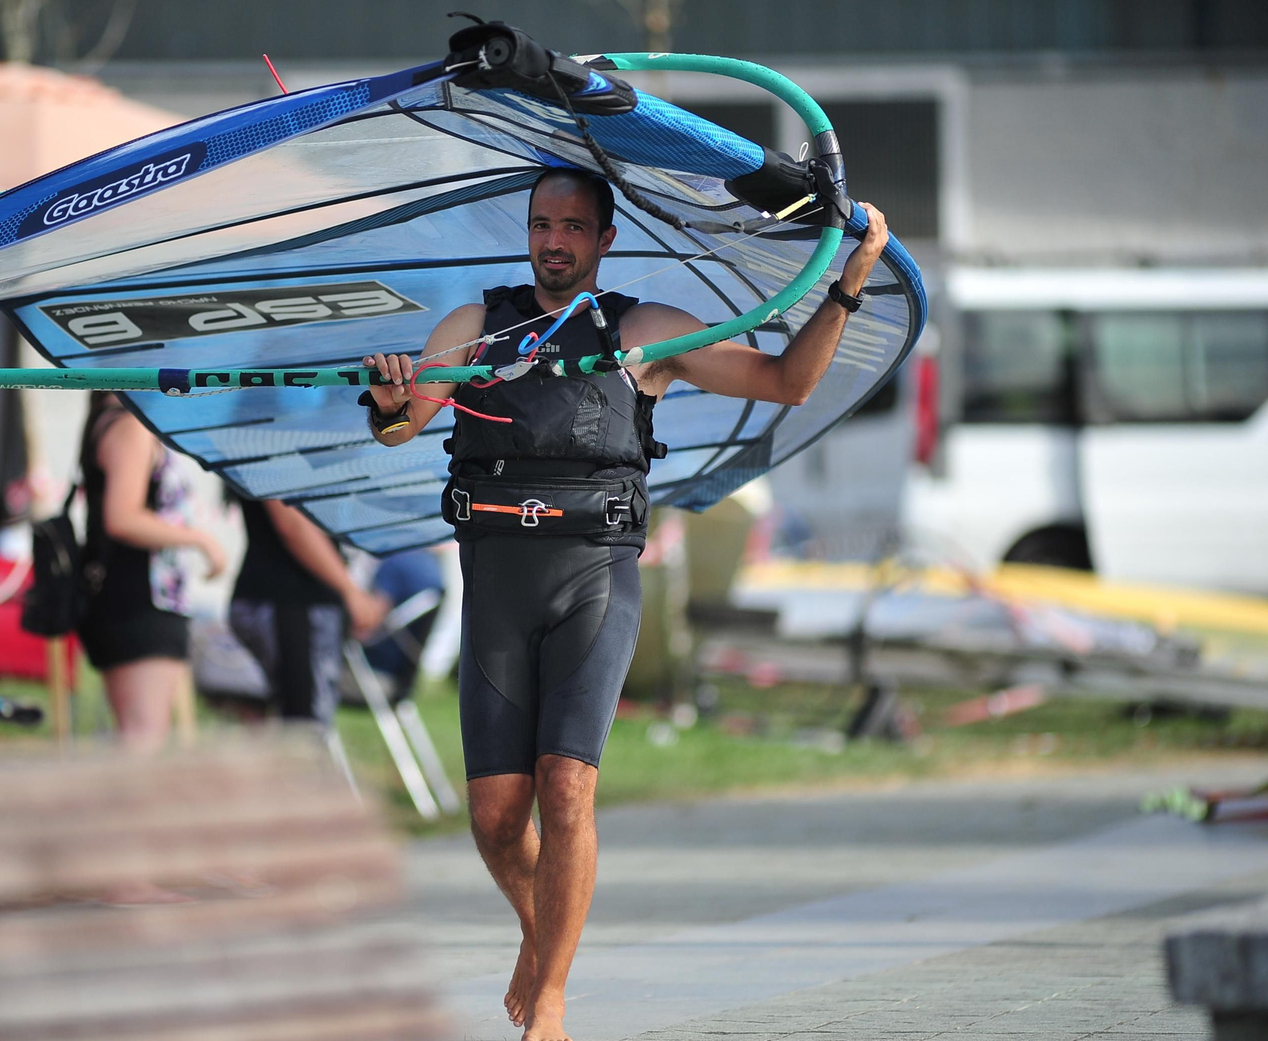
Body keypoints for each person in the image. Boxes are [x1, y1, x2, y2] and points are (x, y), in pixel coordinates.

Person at [362, 169, 889, 1041]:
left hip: (593, 580)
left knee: (566, 787)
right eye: (541, 224)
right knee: (496, 818)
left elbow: (790, 380)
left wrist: (851, 279)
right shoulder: (473, 327)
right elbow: (400, 424)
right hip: (497, 582)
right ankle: (543, 936)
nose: (553, 240)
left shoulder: (644, 335)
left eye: (573, 226)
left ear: (604, 241)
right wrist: (387, 403)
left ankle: (554, 1003)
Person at [77, 391, 225, 753]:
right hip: (140, 600)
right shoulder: (129, 424)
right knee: (143, 740)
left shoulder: (118, 418)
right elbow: (122, 517)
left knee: (140, 737)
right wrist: (201, 541)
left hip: (143, 596)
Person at [224, 498, 389, 726]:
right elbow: (293, 524)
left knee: (295, 722)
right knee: (304, 728)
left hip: (291, 600)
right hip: (289, 600)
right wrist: (350, 590)